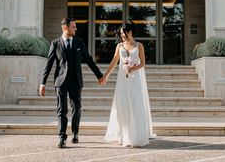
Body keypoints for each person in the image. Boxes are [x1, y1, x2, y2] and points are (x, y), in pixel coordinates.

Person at [39, 17, 104, 148]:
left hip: (76, 81)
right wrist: (43, 83)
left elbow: (89, 60)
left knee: (76, 108)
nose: (76, 29)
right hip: (61, 81)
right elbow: (49, 64)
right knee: (61, 110)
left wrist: (100, 76)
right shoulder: (55, 44)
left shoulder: (79, 42)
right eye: (73, 27)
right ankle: (62, 137)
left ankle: (75, 133)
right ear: (65, 28)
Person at [100, 22, 155, 147]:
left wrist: (132, 68)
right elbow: (114, 61)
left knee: (135, 105)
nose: (122, 36)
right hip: (122, 81)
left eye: (123, 33)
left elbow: (143, 64)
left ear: (130, 32)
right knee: (122, 105)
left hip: (134, 80)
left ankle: (134, 135)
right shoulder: (119, 46)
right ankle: (123, 135)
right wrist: (105, 76)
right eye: (120, 34)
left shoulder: (139, 45)